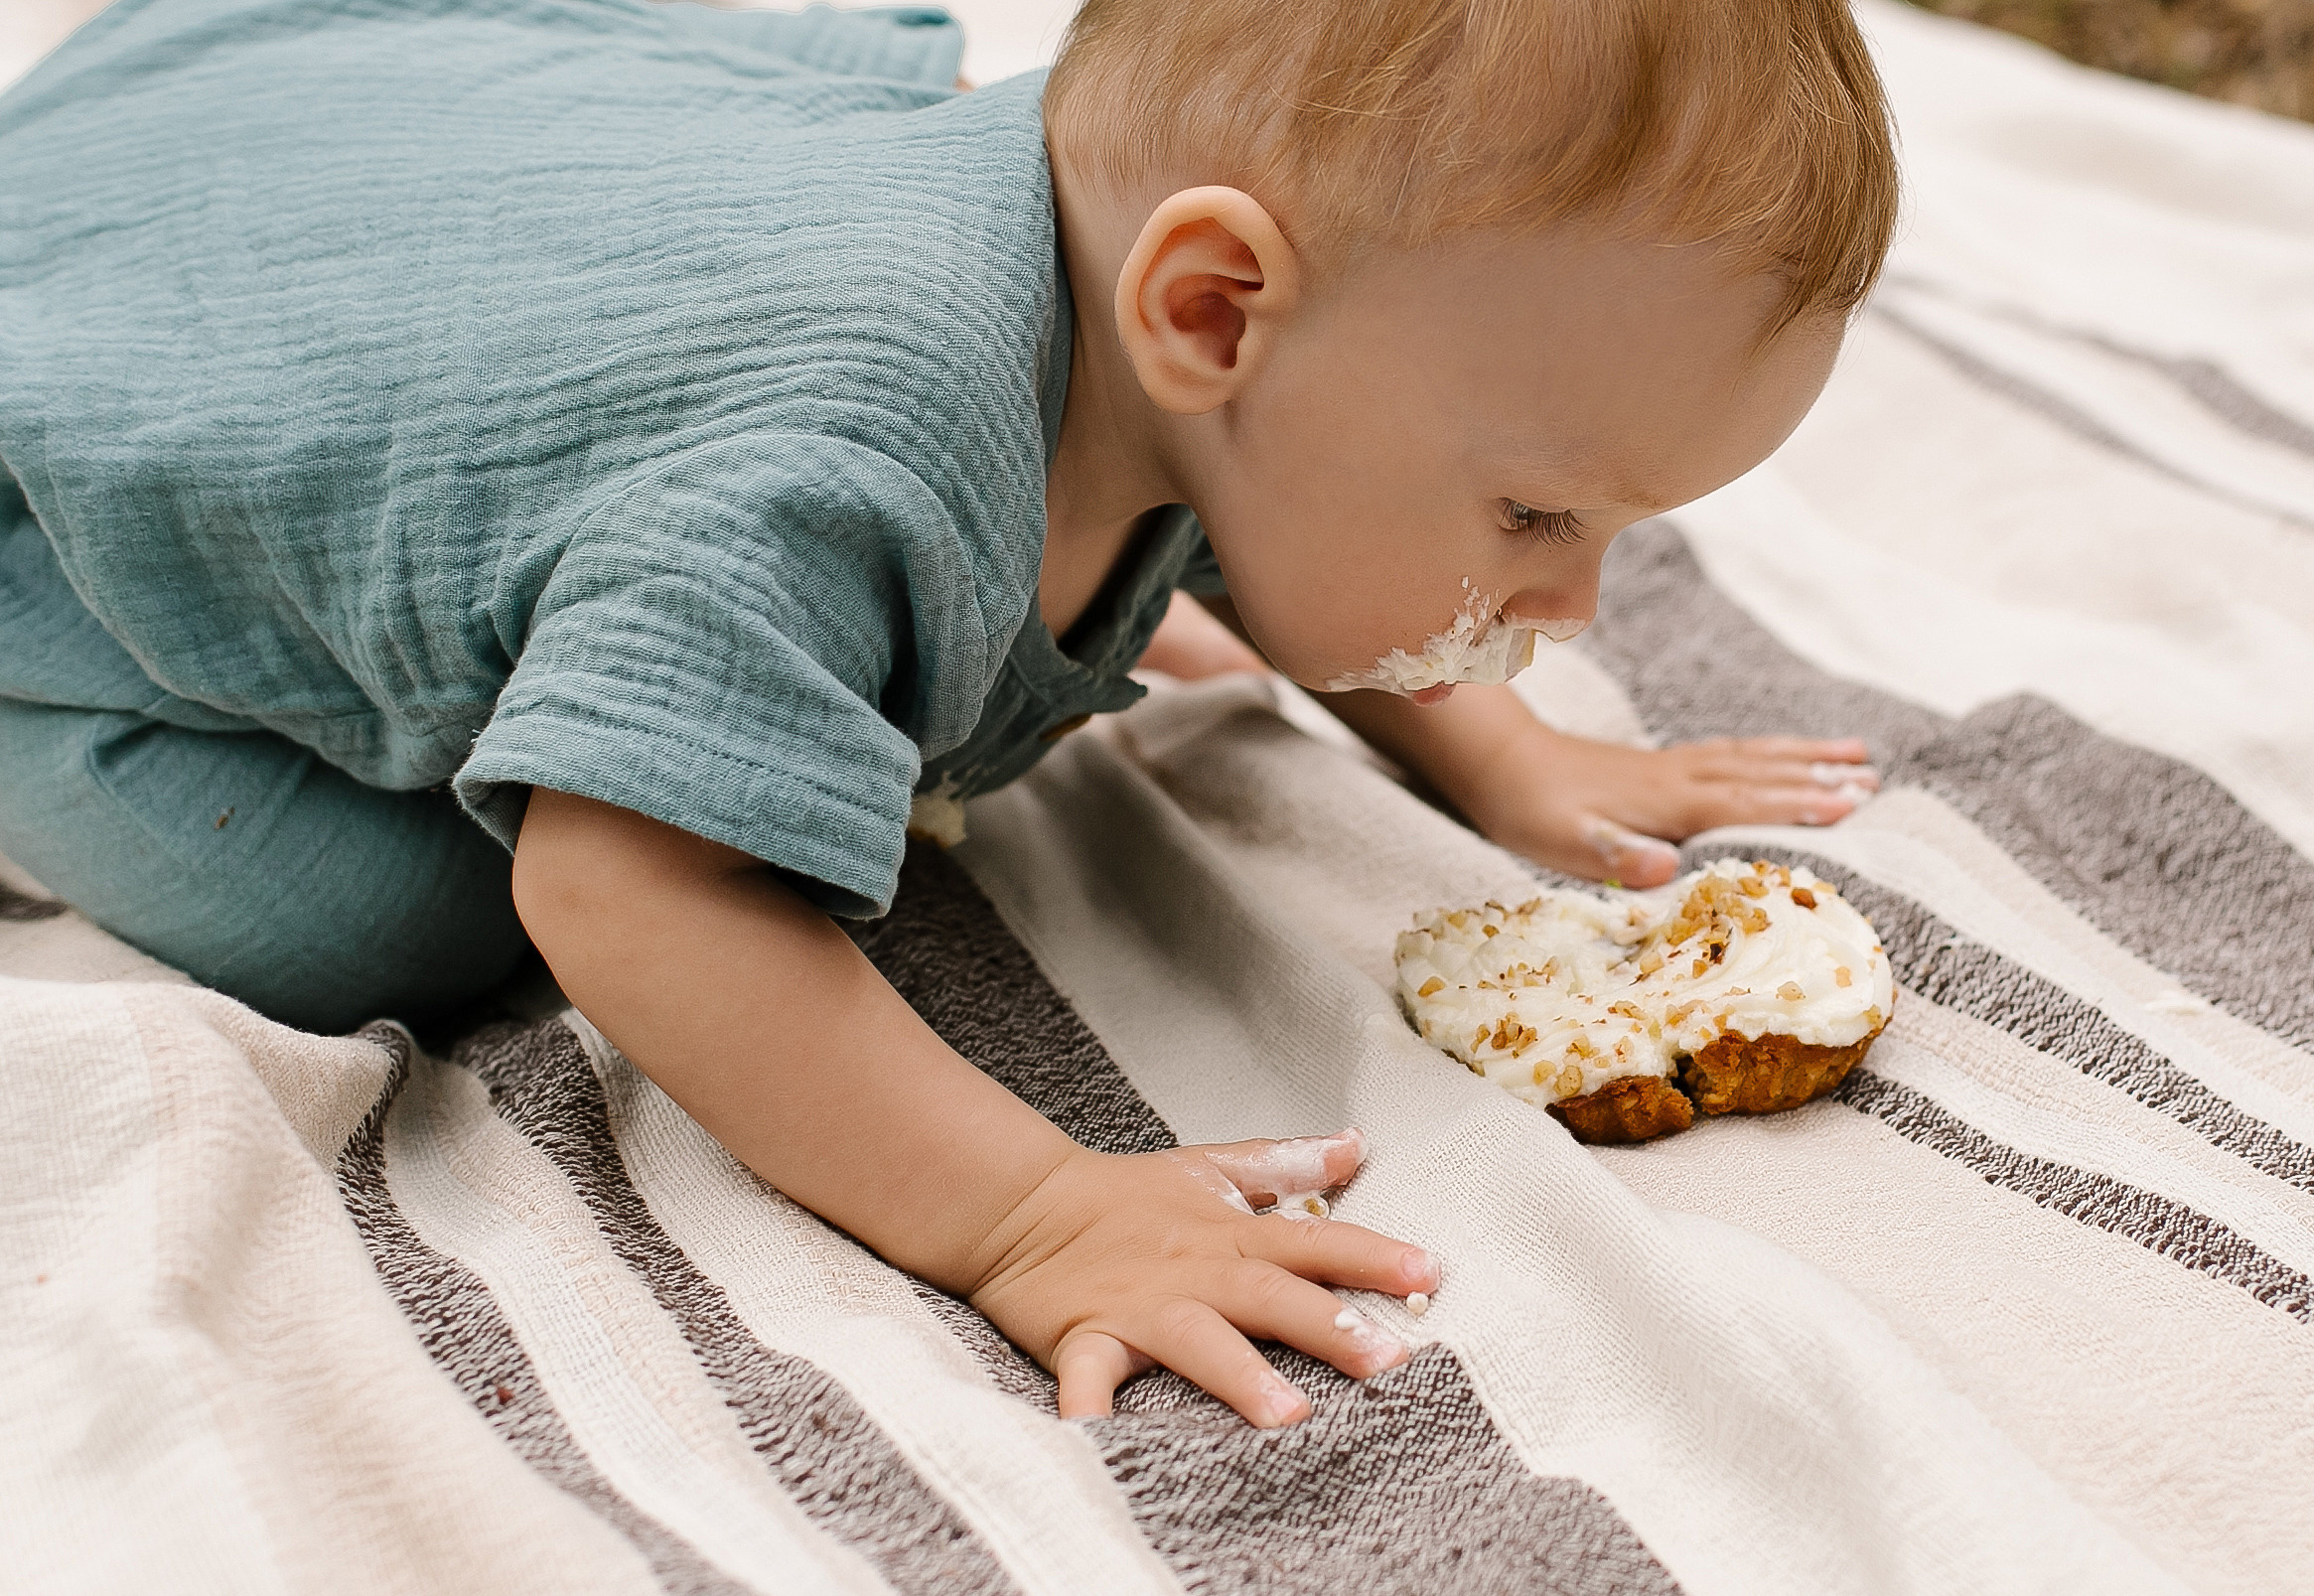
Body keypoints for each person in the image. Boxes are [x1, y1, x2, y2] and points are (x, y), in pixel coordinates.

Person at [0, 0, 1896, 1426]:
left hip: (390, 191)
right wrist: (1033, 1217)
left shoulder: (1170, 308)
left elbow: (1296, 478)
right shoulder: (848, 459)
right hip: (66, 469)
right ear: (1213, 312)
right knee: (397, 910)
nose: (1567, 607)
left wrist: (1511, 754)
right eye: (1536, 516)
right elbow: (624, 892)